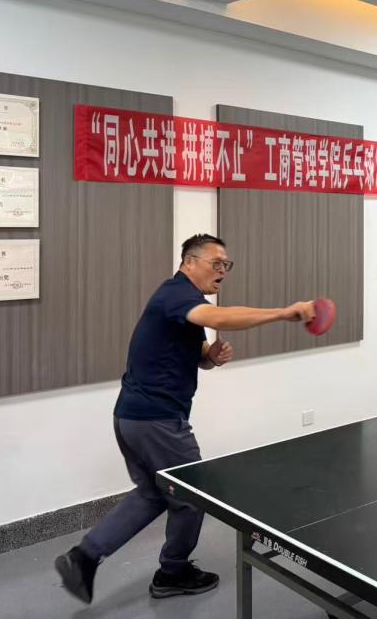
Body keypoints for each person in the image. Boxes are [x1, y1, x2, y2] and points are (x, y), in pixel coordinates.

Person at [55, 234, 315, 603]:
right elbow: (219, 317)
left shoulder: (180, 303)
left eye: (226, 265)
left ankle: (83, 558)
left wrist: (211, 356)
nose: (223, 271)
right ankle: (172, 572)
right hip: (157, 421)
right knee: (192, 496)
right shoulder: (177, 295)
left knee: (152, 494)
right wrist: (284, 313)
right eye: (216, 263)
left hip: (131, 417)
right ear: (189, 262)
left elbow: (196, 354)